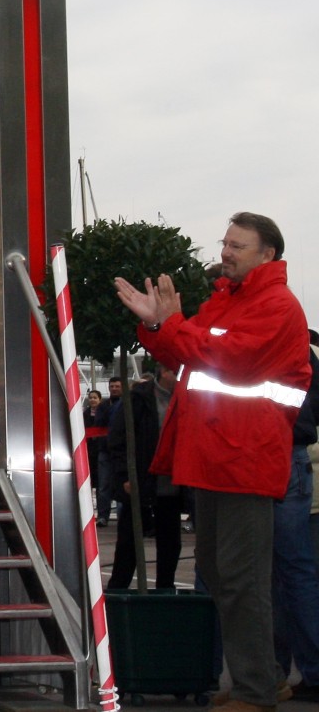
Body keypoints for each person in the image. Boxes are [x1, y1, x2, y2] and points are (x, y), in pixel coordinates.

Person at [115, 212, 312, 712]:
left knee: (241, 577)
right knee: (221, 572)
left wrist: (169, 324)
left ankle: (256, 690)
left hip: (243, 458)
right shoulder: (230, 299)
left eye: (237, 246)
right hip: (216, 457)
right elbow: (184, 350)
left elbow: (219, 355)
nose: (225, 252)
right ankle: (262, 678)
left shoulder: (275, 304)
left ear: (267, 255)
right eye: (225, 243)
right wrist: (156, 324)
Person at [271, 331, 319, 700]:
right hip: (293, 459)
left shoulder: (278, 338)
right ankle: (289, 672)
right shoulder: (303, 348)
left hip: (280, 454)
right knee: (295, 572)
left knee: (285, 574)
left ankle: (277, 673)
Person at [105, 364, 183, 590]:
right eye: (173, 371)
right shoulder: (138, 398)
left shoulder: (185, 398)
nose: (176, 377)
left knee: (170, 543)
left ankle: (165, 591)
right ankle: (117, 590)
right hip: (141, 482)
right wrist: (125, 477)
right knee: (129, 542)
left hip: (171, 485)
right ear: (162, 370)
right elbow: (118, 439)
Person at [95, 376, 123, 525]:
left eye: (117, 386)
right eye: (112, 386)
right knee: (104, 485)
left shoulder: (126, 404)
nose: (114, 389)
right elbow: (98, 424)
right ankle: (103, 516)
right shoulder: (104, 406)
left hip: (120, 451)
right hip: (105, 450)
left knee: (121, 484)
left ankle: (122, 515)